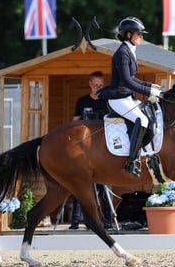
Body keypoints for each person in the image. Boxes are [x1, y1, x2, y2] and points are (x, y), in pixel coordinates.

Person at [97, 17, 162, 177]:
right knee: (143, 121)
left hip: (127, 96)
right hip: (118, 98)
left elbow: (132, 79)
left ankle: (148, 153)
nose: (141, 36)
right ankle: (131, 162)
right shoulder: (122, 53)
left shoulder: (129, 50)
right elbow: (127, 81)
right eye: (139, 34)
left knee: (150, 115)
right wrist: (149, 91)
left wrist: (151, 87)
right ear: (128, 34)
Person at [69, 71, 114, 229]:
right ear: (90, 84)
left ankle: (108, 220)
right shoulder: (82, 101)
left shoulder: (107, 101)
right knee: (79, 183)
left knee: (105, 183)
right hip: (84, 149)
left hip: (102, 148)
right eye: (95, 85)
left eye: (100, 86)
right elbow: (73, 123)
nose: (97, 88)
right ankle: (75, 220)